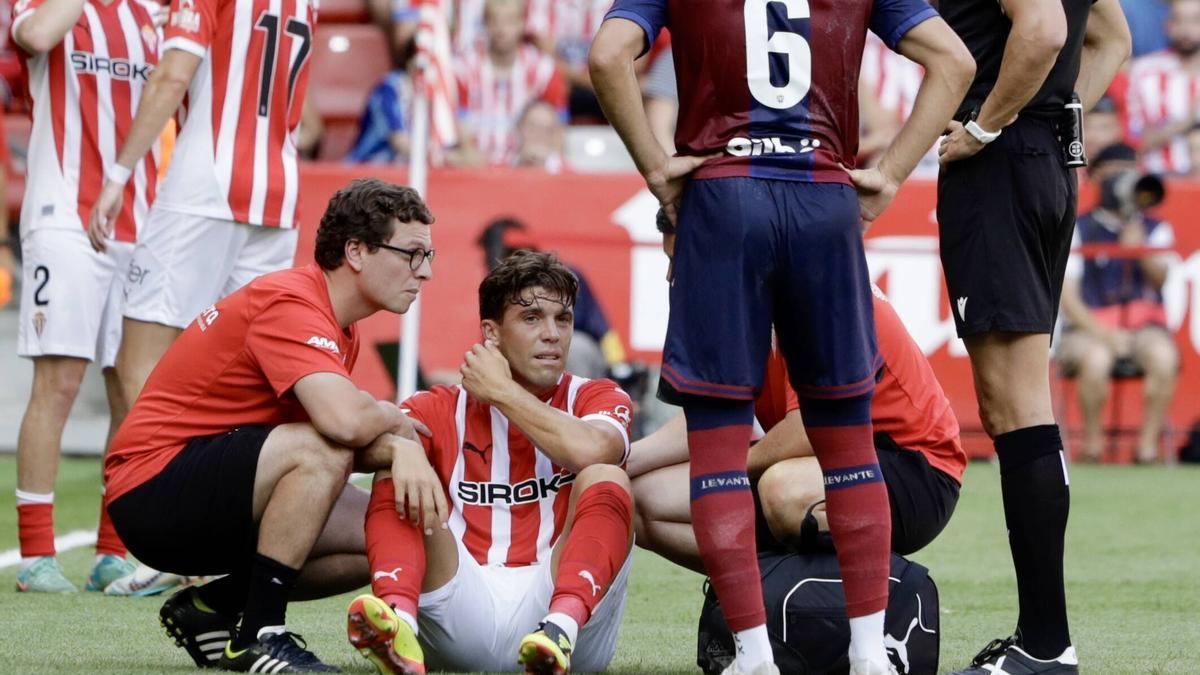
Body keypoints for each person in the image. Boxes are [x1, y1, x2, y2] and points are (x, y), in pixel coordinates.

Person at [589, 3, 975, 674]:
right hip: (822, 193)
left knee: (717, 454)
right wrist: (887, 175)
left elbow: (605, 57)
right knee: (847, 443)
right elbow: (955, 61)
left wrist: (656, 166)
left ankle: (755, 654)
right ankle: (867, 653)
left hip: (725, 190)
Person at [104, 179, 444, 672]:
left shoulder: (333, 321)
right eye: (413, 254)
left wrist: (398, 446)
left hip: (210, 484)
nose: (426, 272)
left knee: (389, 531)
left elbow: (344, 435)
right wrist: (397, 426)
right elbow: (343, 425)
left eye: (429, 256)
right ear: (356, 251)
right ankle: (260, 633)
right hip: (151, 491)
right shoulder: (292, 302)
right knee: (319, 450)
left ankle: (208, 610)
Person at [935, 0, 1131, 671]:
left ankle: (1046, 643)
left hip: (1002, 165)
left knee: (1018, 407)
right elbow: (1109, 35)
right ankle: (1042, 637)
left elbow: (1044, 28)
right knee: (1015, 406)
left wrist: (990, 126)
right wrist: (1056, 117)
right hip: (1037, 156)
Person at [345, 250, 635, 675]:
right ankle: (397, 625)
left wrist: (501, 392)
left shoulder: (598, 397)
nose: (553, 334)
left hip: (569, 624)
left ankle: (557, 631)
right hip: (460, 607)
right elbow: (362, 446)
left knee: (607, 476)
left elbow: (595, 451)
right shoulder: (440, 407)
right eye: (532, 318)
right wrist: (400, 450)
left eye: (563, 319)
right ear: (492, 333)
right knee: (398, 467)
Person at [631, 216, 966, 571]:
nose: (672, 276)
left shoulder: (812, 289)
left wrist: (723, 470)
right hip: (820, 466)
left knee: (784, 490)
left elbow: (808, 430)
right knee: (639, 499)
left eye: (680, 261)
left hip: (916, 470)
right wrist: (623, 459)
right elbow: (712, 416)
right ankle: (774, 590)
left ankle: (848, 594)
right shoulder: (742, 301)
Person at [88, 0, 319, 421]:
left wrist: (120, 174)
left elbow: (175, 73)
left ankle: (158, 485)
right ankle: (219, 485)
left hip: (205, 185)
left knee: (138, 364)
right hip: (278, 193)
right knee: (235, 378)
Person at [9, 0, 161, 594]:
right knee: (61, 380)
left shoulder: (154, 13)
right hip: (62, 214)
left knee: (132, 385)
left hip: (140, 219)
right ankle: (37, 556)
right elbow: (38, 33)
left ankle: (111, 551)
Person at [1057, 143, 1177, 463]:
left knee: (1163, 356)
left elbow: (1162, 279)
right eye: (1116, 172)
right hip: (1088, 329)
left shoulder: (1154, 228)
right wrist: (1104, 334)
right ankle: (1093, 447)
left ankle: (1147, 450)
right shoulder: (1079, 228)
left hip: (1142, 326)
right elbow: (1068, 297)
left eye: (1131, 170)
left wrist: (1139, 249)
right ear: (1096, 176)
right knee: (1096, 359)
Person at [451, 0, 566, 167]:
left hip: (527, 168)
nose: (501, 30)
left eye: (509, 21)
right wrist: (468, 153)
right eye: (494, 21)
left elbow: (558, 128)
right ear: (484, 23)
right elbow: (457, 122)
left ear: (522, 24)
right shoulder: (463, 70)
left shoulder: (543, 71)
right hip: (476, 170)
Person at [1125, 0, 1200, 174]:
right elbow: (1134, 141)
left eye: (1196, 20)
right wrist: (1187, 120)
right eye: (1178, 20)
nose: (1186, 29)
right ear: (1166, 25)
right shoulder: (1145, 72)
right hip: (1159, 179)